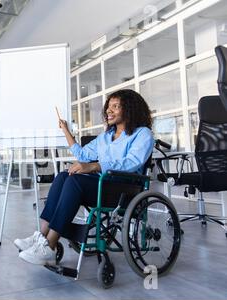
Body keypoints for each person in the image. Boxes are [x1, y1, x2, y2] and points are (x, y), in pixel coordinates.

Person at [14, 89, 154, 265]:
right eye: (108, 107)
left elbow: (132, 162)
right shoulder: (105, 137)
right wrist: (65, 130)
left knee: (75, 182)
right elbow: (82, 155)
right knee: (64, 176)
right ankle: (41, 237)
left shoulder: (143, 134)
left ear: (130, 109)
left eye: (116, 106)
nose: (109, 111)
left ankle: (50, 245)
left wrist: (96, 166)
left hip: (124, 189)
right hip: (104, 185)